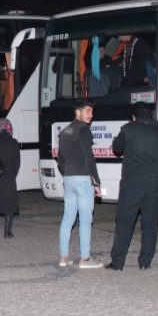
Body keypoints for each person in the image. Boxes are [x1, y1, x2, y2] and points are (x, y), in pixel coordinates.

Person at [106, 102, 158, 271]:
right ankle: (145, 261)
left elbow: (117, 148)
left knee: (124, 221)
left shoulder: (128, 129)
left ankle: (118, 261)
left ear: (133, 116)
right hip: (154, 184)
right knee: (150, 223)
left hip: (132, 183)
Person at [56, 100, 104, 268]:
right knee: (85, 219)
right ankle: (85, 258)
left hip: (69, 177)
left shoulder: (65, 131)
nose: (91, 115)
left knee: (68, 217)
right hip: (83, 177)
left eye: (92, 112)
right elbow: (88, 157)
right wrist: (96, 181)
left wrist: (67, 171)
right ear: (78, 113)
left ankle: (63, 257)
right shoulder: (83, 130)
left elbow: (60, 159)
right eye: (88, 111)